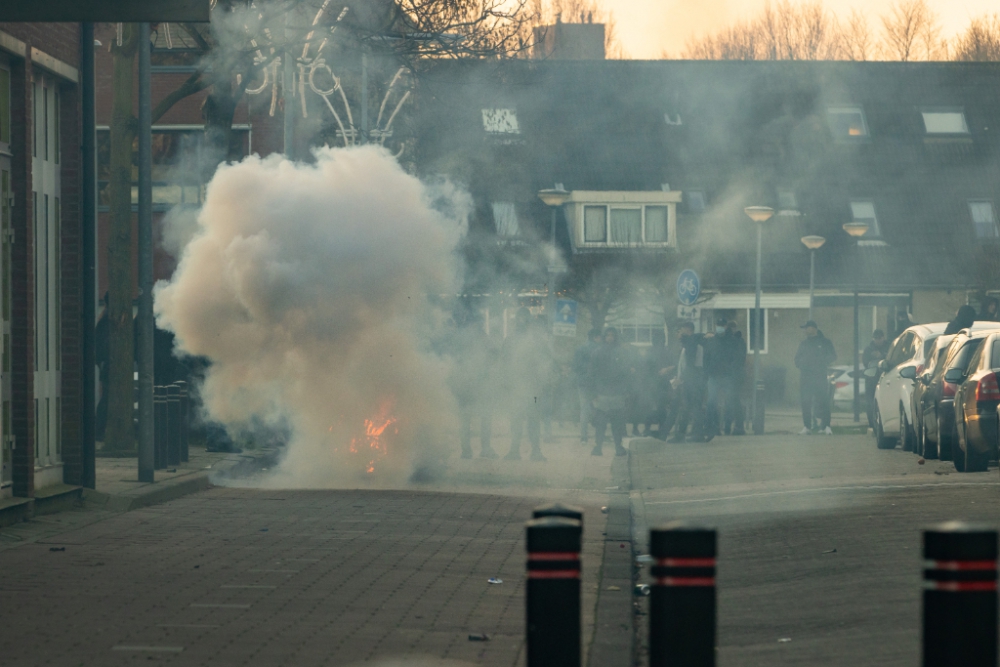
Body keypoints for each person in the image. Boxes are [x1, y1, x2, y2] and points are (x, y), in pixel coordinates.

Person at [502, 307, 552, 462]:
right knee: (516, 420)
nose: (522, 321)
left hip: (533, 387)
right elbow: (504, 363)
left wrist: (544, 383)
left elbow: (546, 362)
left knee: (533, 420)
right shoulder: (511, 340)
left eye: (524, 318)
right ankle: (515, 450)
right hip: (517, 386)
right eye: (520, 318)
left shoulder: (535, 340)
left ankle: (535, 451)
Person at [449, 311, 498, 460]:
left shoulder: (463, 338)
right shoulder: (481, 337)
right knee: (474, 419)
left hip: (473, 384)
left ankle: (471, 450)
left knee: (473, 419)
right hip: (473, 384)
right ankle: (476, 449)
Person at [589, 327, 631, 457]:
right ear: (604, 337)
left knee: (614, 423)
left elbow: (625, 373)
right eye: (608, 335)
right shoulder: (599, 353)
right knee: (603, 423)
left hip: (614, 393)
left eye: (612, 335)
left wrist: (625, 390)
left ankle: (615, 447)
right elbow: (592, 374)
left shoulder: (618, 353)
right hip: (604, 393)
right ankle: (600, 447)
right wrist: (593, 393)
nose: (610, 338)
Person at [795, 320, 837, 435]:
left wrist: (822, 362)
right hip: (806, 378)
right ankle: (807, 426)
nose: (804, 330)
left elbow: (833, 355)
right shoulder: (803, 344)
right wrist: (802, 363)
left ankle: (826, 426)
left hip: (820, 377)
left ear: (813, 329)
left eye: (806, 328)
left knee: (824, 401)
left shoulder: (825, 342)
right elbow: (796, 360)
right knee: (806, 402)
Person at [669, 321, 707, 443]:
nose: (679, 333)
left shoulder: (692, 344)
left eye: (681, 330)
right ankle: (692, 434)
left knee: (691, 407)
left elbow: (691, 365)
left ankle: (694, 434)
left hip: (693, 380)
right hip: (690, 379)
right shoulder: (688, 344)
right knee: (688, 407)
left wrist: (682, 378)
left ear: (688, 330)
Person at [643, 328, 677, 440]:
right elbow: (674, 365)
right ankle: (660, 427)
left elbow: (646, 367)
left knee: (653, 406)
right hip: (661, 382)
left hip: (656, 382)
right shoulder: (666, 350)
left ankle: (648, 428)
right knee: (660, 406)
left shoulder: (651, 351)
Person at [573, 328, 603, 445]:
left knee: (584, 409)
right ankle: (599, 436)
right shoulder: (599, 350)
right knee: (600, 409)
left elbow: (575, 367)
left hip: (583, 384)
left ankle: (584, 437)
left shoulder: (580, 349)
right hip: (597, 384)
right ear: (596, 337)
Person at [862, 329, 890, 429]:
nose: (878, 341)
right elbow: (866, 363)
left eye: (880, 338)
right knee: (870, 403)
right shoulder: (868, 349)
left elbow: (892, 360)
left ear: (883, 338)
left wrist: (881, 356)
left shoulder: (890, 347)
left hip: (887, 379)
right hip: (872, 380)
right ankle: (872, 424)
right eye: (876, 339)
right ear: (873, 339)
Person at [723, 321, 747, 435]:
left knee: (732, 400)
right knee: (733, 400)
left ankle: (732, 426)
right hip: (735, 375)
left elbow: (737, 359)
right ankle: (736, 426)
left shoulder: (734, 341)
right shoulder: (739, 341)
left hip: (733, 375)